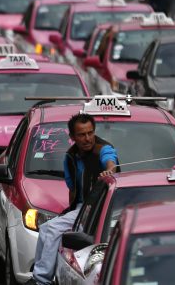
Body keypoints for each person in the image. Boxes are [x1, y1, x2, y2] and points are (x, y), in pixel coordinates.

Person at [31, 113, 118, 285]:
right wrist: (70, 214)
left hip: (97, 209)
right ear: (72, 137)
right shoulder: (70, 157)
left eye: (90, 133)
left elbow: (111, 161)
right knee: (46, 228)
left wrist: (109, 171)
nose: (87, 138)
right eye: (81, 134)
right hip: (81, 209)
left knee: (52, 229)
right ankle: (39, 276)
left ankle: (41, 281)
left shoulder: (103, 148)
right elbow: (73, 190)